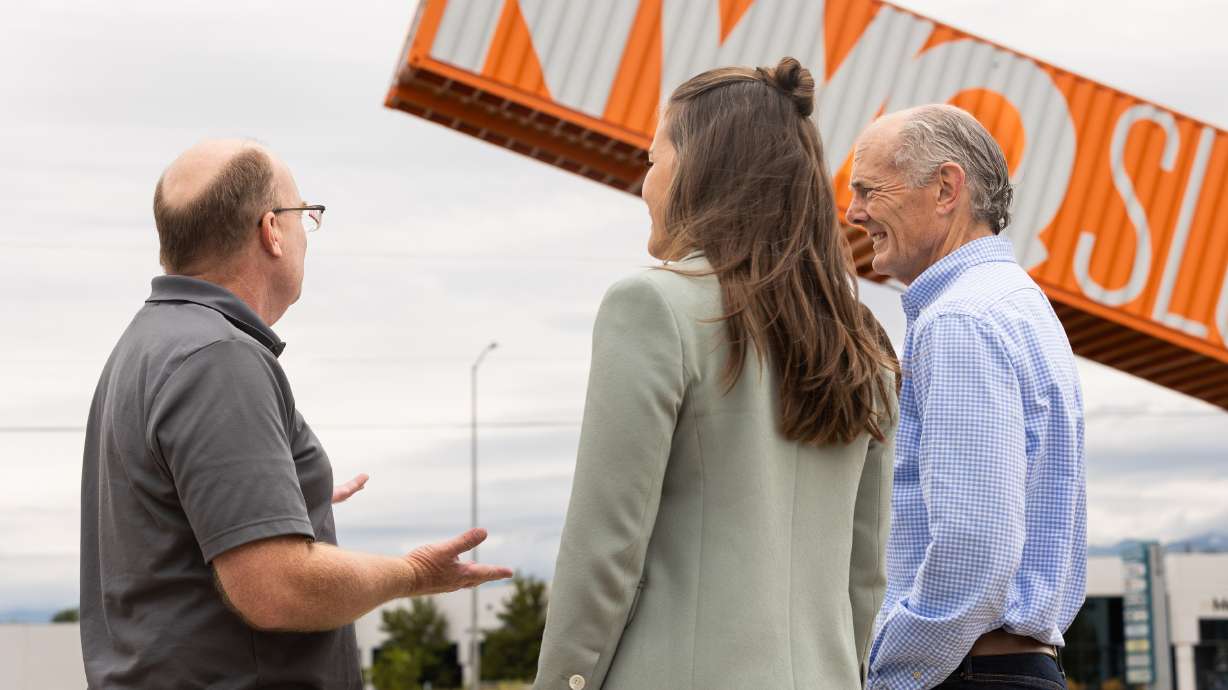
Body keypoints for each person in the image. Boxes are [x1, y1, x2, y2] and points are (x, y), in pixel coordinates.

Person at [80, 139, 512, 689]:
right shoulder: (218, 356)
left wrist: (271, 497)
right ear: (272, 231)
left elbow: (169, 515)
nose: (308, 231)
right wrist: (414, 574)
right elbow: (275, 590)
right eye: (305, 214)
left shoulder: (147, 344)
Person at [533, 58, 900, 690]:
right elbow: (864, 579)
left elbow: (605, 550)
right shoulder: (863, 344)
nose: (645, 184)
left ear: (699, 170)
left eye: (654, 161)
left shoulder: (652, 308)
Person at [847, 105, 1086, 690]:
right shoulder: (1017, 302)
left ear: (947, 188)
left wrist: (887, 673)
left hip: (969, 671)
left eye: (869, 190)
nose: (853, 213)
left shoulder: (958, 320)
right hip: (1013, 666)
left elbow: (973, 541)